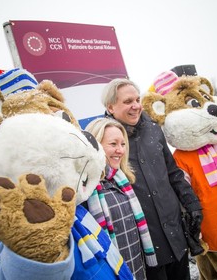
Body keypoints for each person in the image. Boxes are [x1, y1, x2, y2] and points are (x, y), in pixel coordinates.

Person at [101, 78, 204, 280]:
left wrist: (192, 203)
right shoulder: (105, 140)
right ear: (111, 107)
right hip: (144, 240)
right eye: (128, 101)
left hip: (175, 232)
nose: (136, 106)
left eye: (137, 99)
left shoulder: (153, 128)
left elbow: (172, 172)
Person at [84, 118, 157, 280]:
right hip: (112, 272)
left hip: (136, 269)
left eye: (123, 144)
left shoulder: (121, 180)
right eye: (113, 144)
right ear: (94, 145)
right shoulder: (86, 189)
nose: (120, 150)